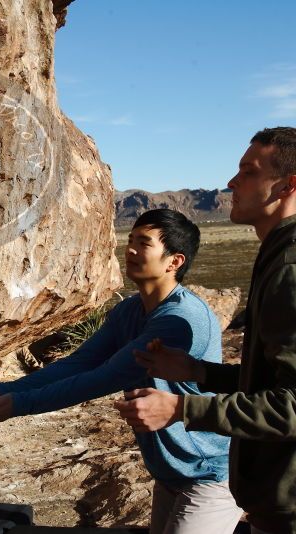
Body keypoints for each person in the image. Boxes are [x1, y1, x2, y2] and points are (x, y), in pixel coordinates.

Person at [0, 208, 242, 534]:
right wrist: (9, 389)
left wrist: (18, 404)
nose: (131, 249)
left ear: (174, 262)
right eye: (131, 239)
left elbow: (102, 378)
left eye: (144, 243)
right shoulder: (129, 311)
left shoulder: (179, 320)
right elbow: (80, 362)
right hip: (170, 473)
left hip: (208, 472)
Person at [117, 127, 296, 534]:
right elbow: (270, 382)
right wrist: (200, 373)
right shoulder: (277, 255)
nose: (231, 182)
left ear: (288, 185)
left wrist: (181, 409)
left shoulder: (289, 268)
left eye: (248, 172)